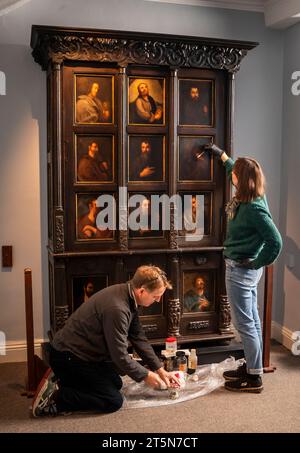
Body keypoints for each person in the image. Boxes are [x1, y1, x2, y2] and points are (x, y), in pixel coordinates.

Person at [32, 265, 180, 416]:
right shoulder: (117, 308)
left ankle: (65, 381)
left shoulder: (128, 294)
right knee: (113, 401)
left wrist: (159, 369)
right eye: (156, 296)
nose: (158, 300)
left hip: (82, 354)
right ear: (141, 291)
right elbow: (119, 356)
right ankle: (57, 397)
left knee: (116, 383)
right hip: (67, 357)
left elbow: (138, 336)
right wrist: (146, 376)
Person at [205, 143, 282, 393]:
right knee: (253, 322)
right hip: (245, 270)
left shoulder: (254, 208)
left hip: (241, 270)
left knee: (245, 324)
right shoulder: (252, 194)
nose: (232, 177)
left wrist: (258, 261)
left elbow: (275, 241)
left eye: (235, 174)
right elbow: (234, 169)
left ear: (242, 179)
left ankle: (253, 379)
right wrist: (223, 157)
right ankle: (253, 368)